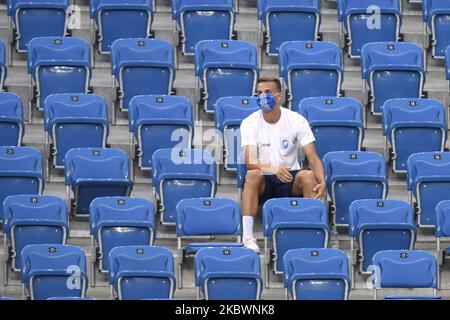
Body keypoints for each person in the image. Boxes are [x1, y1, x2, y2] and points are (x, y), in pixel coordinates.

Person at [240, 77, 326, 253]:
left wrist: (322, 181)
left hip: (290, 177)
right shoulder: (249, 122)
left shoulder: (296, 120)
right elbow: (250, 161)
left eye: (267, 92)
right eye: (259, 93)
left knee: (309, 176)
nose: (262, 97)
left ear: (279, 97)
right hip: (265, 177)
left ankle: (312, 233)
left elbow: (313, 157)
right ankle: (248, 237)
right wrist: (274, 169)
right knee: (251, 175)